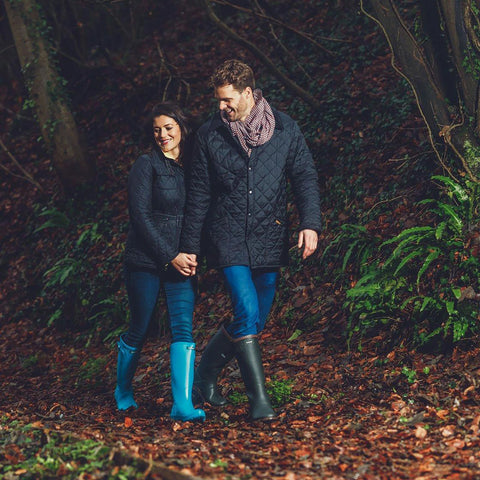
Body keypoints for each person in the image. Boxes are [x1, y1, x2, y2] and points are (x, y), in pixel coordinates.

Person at [179, 59, 322, 421]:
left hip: (270, 235)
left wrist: (310, 223)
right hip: (227, 235)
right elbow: (197, 194)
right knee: (245, 310)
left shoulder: (285, 129)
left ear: (247, 93)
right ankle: (259, 401)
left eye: (227, 100)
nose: (221, 107)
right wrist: (189, 246)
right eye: (218, 101)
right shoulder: (210, 134)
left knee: (255, 319)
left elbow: (304, 176)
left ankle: (205, 376)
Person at [114, 102, 205, 422]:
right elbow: (140, 217)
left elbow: (196, 213)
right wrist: (170, 255)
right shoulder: (145, 165)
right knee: (140, 327)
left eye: (168, 127)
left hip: (181, 261)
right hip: (145, 261)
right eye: (157, 130)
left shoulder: (193, 165)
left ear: (181, 127)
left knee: (183, 328)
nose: (162, 135)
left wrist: (190, 253)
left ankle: (182, 405)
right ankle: (123, 391)